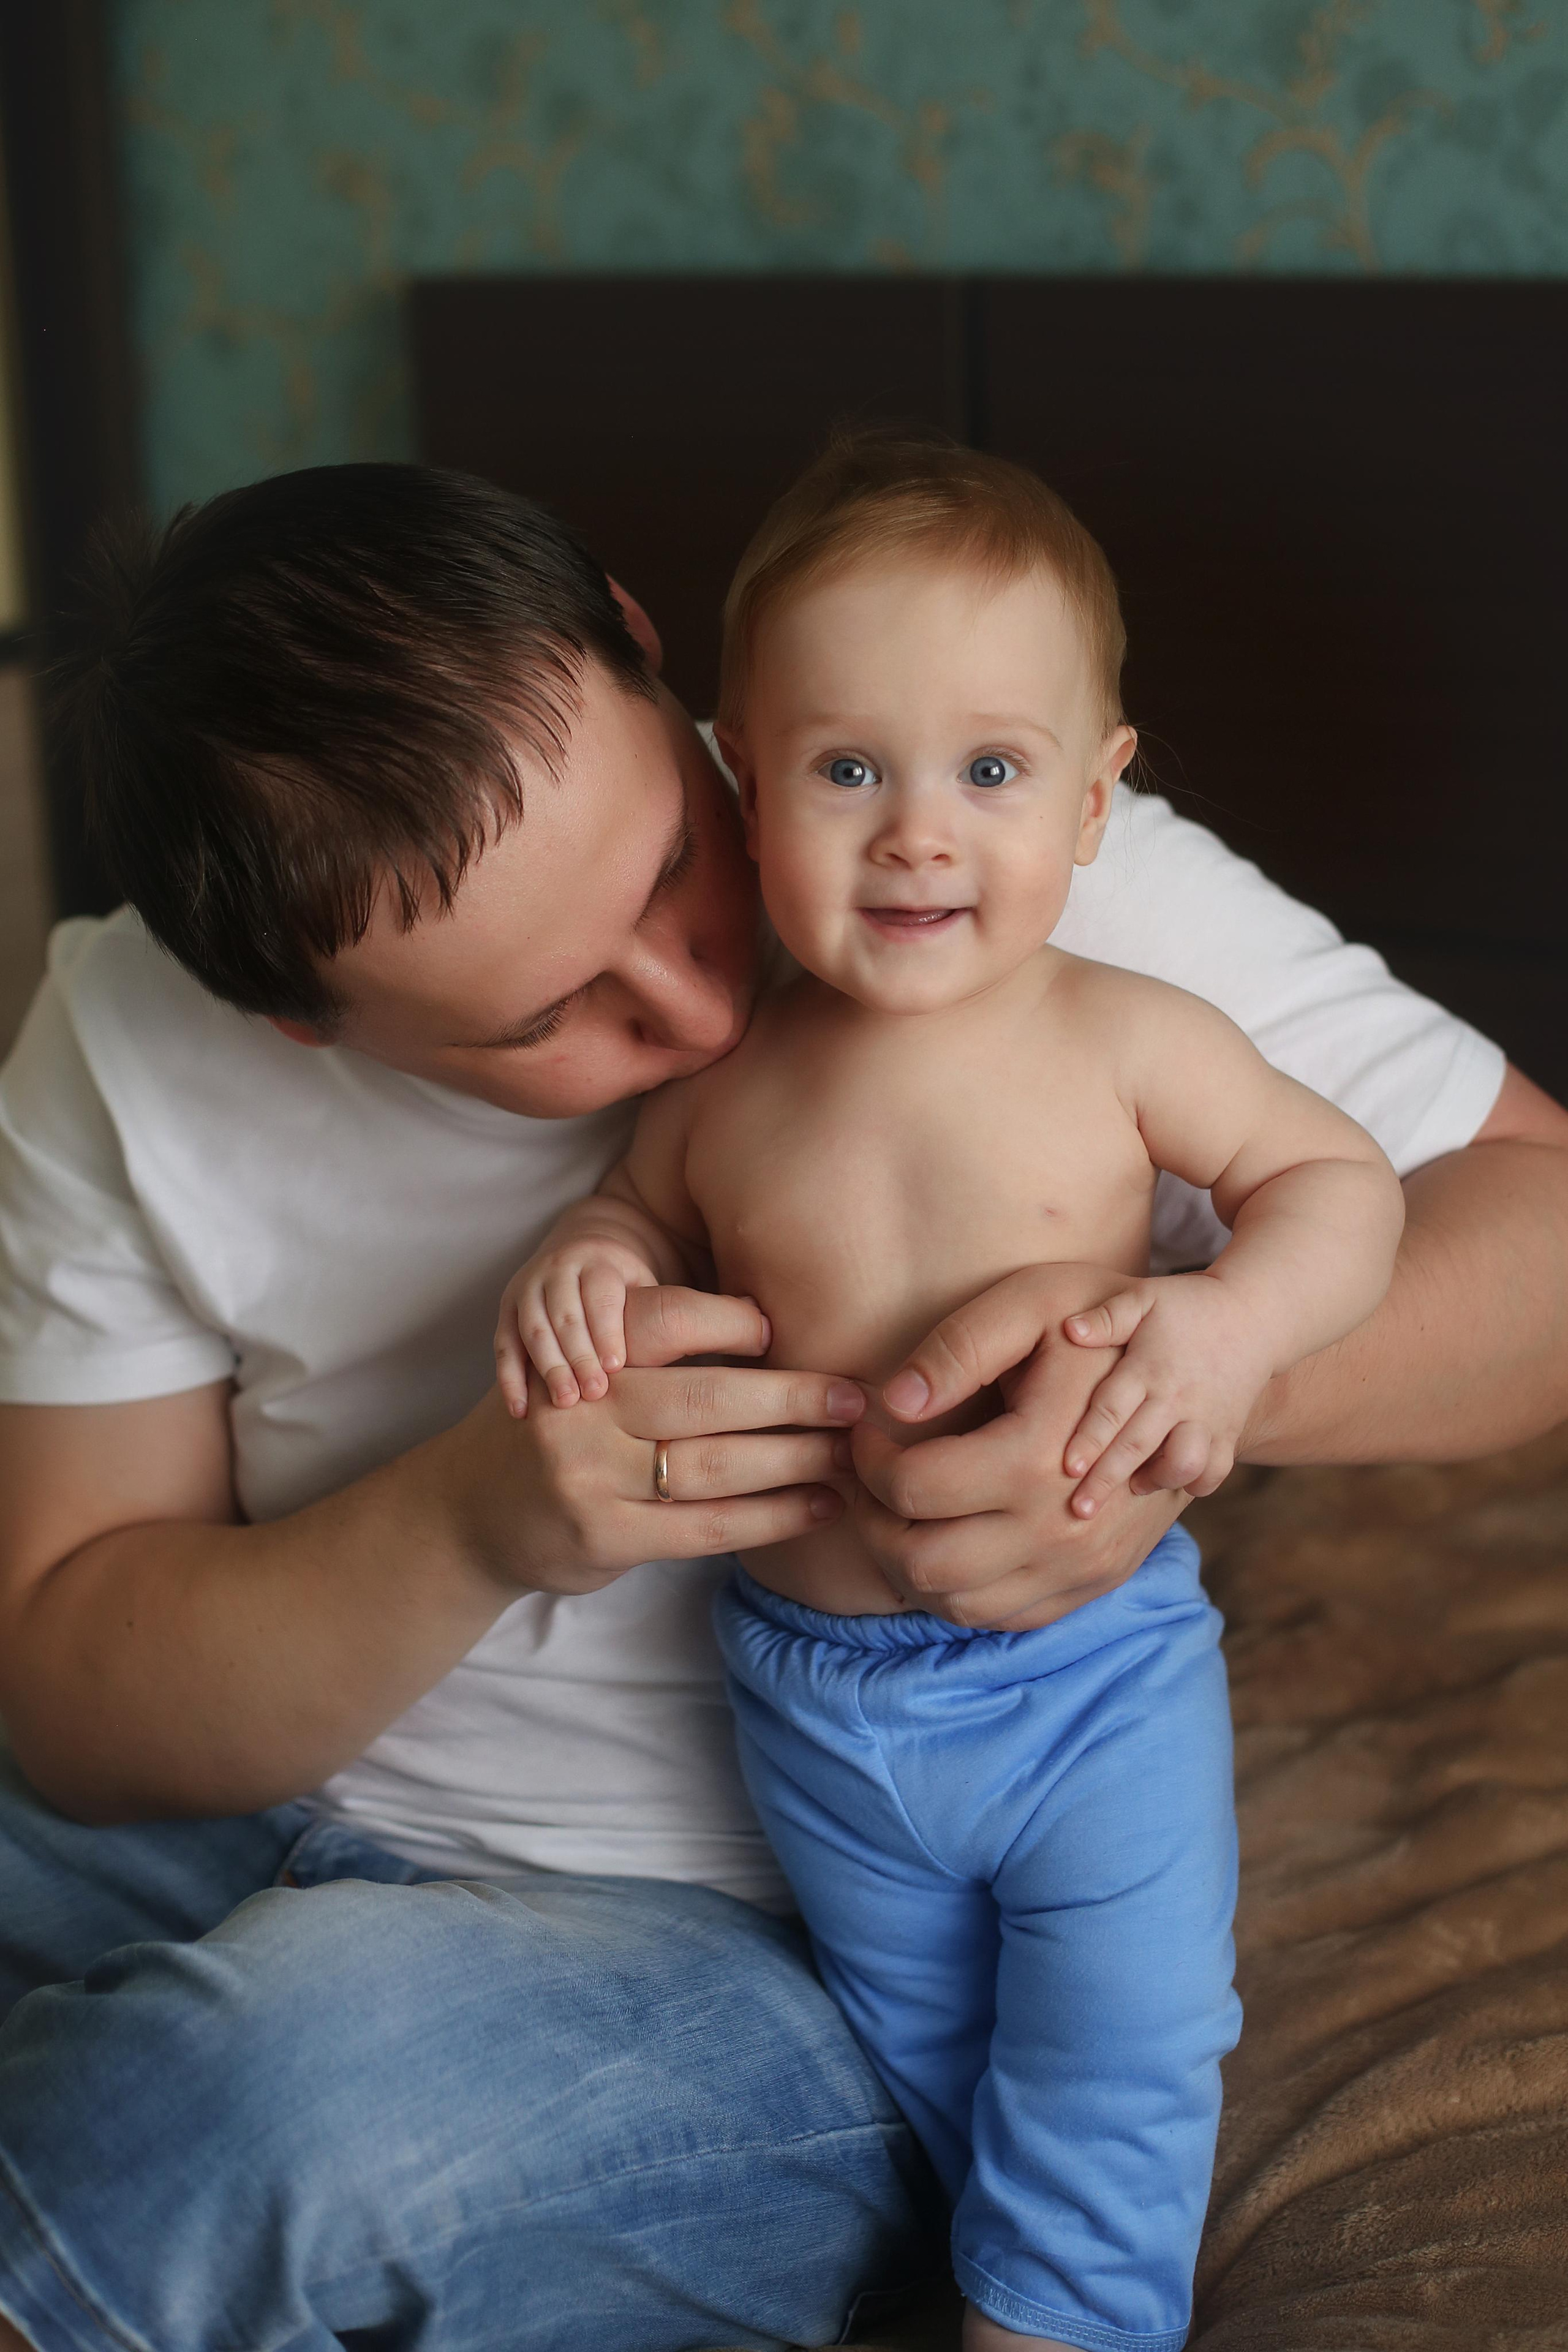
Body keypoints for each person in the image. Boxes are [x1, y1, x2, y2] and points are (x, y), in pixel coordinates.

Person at [0, 462, 1564, 2352]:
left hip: (752, 1918)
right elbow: (77, 1693)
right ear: (296, 1020)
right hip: (262, 1788)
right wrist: (469, 1523)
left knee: (216, 2122)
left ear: (653, 657)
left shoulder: (992, 849)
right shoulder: (123, 1036)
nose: (697, 1003)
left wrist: (1148, 1384)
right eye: (548, 1014)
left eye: (672, 860)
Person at [497, 435, 1408, 2352]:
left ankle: (1072, 2318)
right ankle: (976, 2261)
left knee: (1125, 2034)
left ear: (1095, 803)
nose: (919, 833)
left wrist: (1226, 1331)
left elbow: (1342, 1191)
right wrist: (585, 1276)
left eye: (991, 773)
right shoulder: (720, 1089)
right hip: (811, 1702)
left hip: (1088, 1680)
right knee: (932, 2061)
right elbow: (627, 1228)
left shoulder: (1128, 1037)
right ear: (746, 788)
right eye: (849, 771)